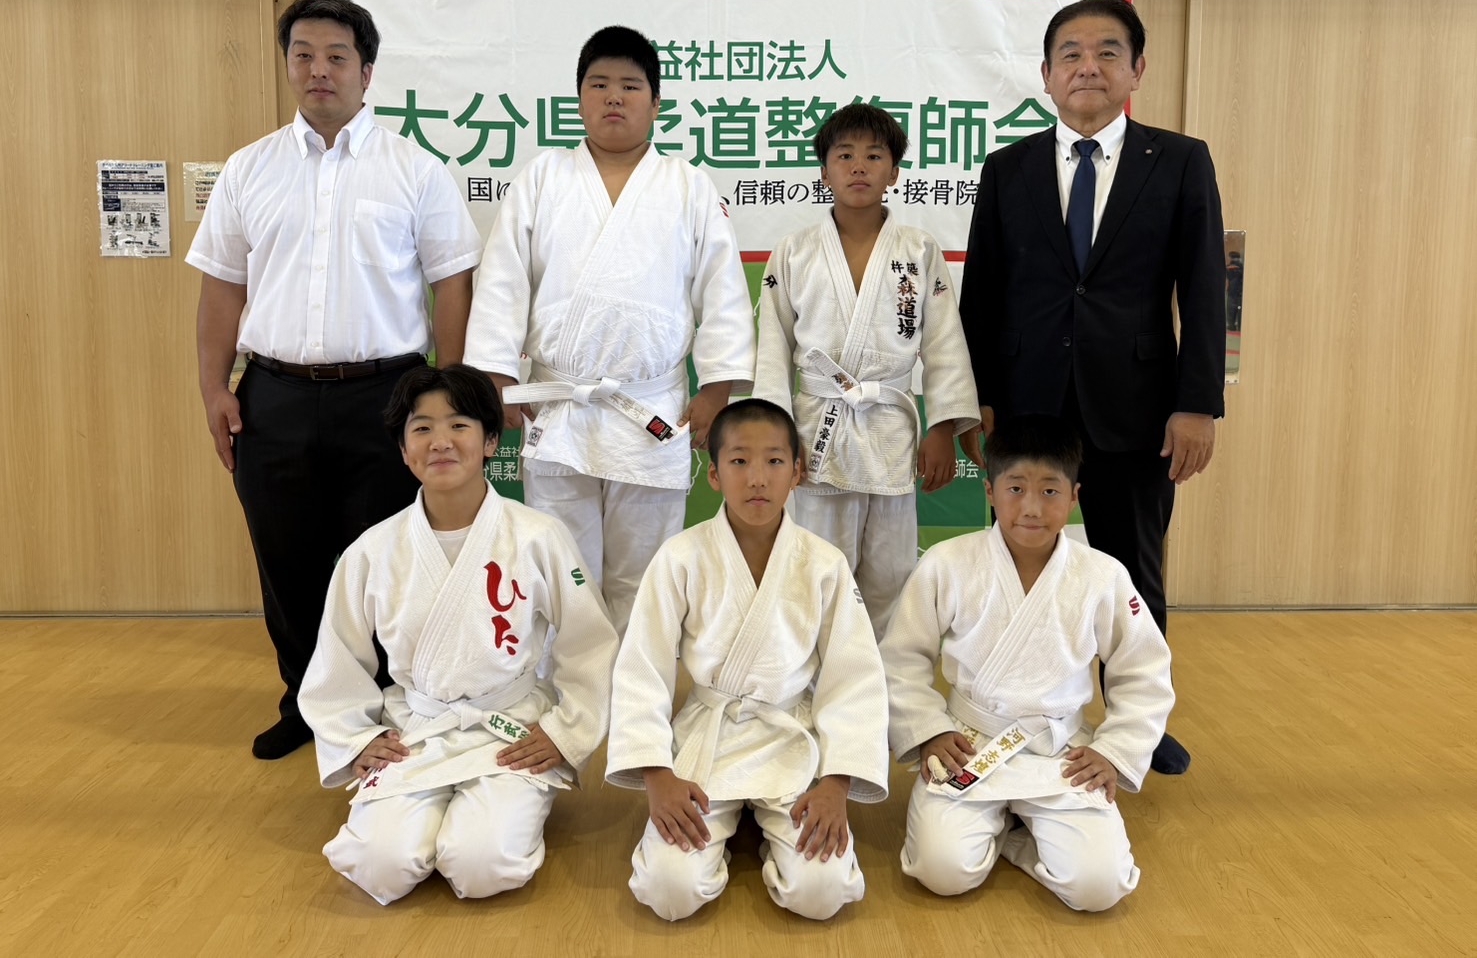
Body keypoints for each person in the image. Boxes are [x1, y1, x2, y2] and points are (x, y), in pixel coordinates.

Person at [187, 0, 483, 760]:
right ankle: (305, 703)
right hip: (273, 394)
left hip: (386, 396)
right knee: (286, 559)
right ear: (288, 65)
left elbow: (453, 283)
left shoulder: (414, 169)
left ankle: (383, 704)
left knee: (384, 559)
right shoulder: (248, 169)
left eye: (336, 57)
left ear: (367, 71)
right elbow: (222, 288)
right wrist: (215, 388)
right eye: (303, 55)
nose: (319, 70)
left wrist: (448, 395)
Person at [959, 0, 1225, 774]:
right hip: (1026, 404)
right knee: (1017, 563)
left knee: (1133, 573)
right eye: (1070, 54)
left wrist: (1196, 403)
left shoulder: (1179, 161)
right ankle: (1007, 708)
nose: (1087, 66)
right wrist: (975, 400)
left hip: (1136, 407)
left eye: (1107, 52)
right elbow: (983, 294)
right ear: (1045, 74)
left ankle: (1138, 725)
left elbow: (1202, 290)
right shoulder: (1007, 168)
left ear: (1136, 70)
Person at [464, 25, 755, 637]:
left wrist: (718, 388)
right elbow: (503, 281)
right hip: (558, 406)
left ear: (655, 102)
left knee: (644, 575)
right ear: (579, 99)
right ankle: (569, 681)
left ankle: (637, 682)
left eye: (630, 85)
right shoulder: (543, 178)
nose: (614, 97)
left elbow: (723, 290)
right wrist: (495, 375)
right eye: (598, 85)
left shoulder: (687, 185)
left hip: (651, 408)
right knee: (561, 569)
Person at [298, 365, 620, 905]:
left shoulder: (538, 536)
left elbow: (591, 641)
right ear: (403, 450)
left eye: (459, 425)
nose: (440, 441)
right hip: (417, 728)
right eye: (422, 428)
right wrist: (354, 738)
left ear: (492, 441)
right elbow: (338, 657)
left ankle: (496, 812)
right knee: (378, 866)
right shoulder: (372, 550)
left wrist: (566, 732)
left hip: (509, 728)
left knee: (482, 866)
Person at [606, 399, 889, 921]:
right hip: (709, 738)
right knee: (669, 891)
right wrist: (657, 775)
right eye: (739, 461)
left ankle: (764, 821)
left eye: (774, 461)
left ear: (797, 472)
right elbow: (641, 667)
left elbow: (855, 675)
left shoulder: (823, 563)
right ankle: (740, 819)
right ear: (714, 474)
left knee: (821, 893)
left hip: (790, 736)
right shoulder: (680, 557)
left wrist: (837, 782)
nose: (757, 477)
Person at [879, 415, 1174, 912]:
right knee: (942, 871)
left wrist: (1115, 751)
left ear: (1074, 496)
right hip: (968, 744)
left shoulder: (1102, 575)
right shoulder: (947, 563)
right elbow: (901, 658)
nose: (1032, 508)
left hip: (1061, 749)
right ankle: (1010, 828)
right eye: (1016, 488)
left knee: (1099, 887)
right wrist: (928, 730)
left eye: (1049, 491)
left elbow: (1144, 670)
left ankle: (1012, 833)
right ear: (990, 492)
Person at [754, 103, 981, 641]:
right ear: (824, 171)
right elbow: (771, 347)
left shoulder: (918, 250)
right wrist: (777, 436)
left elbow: (944, 343)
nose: (859, 166)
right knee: (815, 568)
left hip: (890, 426)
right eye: (845, 155)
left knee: (891, 572)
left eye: (874, 156)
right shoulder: (794, 251)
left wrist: (942, 427)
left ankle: (881, 680)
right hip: (816, 427)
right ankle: (815, 676)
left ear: (894, 172)